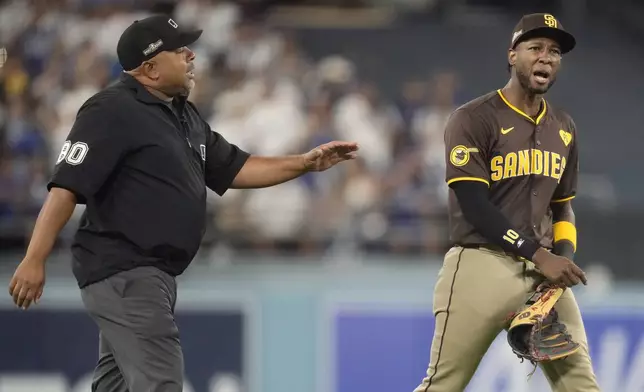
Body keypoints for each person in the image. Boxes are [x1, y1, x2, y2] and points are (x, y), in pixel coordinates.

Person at [7, 15, 358, 392]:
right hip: (126, 270)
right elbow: (66, 187)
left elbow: (236, 168)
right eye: (179, 49)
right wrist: (34, 257)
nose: (191, 55)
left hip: (149, 275)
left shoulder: (184, 115)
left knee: (119, 386)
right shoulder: (110, 109)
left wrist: (304, 163)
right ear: (150, 68)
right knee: (161, 383)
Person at [413, 13, 601, 392]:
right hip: (481, 264)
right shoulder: (473, 118)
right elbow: (474, 206)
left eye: (554, 52)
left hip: (542, 275)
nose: (546, 57)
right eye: (535, 48)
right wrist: (540, 255)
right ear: (512, 55)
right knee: (443, 385)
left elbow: (563, 206)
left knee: (582, 387)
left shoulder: (563, 127)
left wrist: (560, 265)